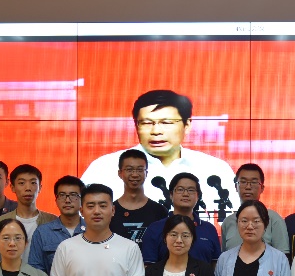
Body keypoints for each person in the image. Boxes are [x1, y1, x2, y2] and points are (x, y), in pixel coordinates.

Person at [81, 90, 239, 219]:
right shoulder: (104, 168)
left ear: (187, 125)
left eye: (166, 123)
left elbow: (235, 219)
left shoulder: (215, 169)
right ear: (136, 125)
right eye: (147, 123)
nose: (156, 131)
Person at [141, 172, 222, 264]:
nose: (185, 194)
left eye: (191, 190)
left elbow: (215, 265)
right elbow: (149, 266)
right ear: (171, 194)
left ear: (198, 196)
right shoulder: (155, 229)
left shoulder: (209, 229)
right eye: (180, 189)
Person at [220, 163, 290, 254]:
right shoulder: (228, 222)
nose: (248, 187)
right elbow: (224, 257)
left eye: (254, 182)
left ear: (262, 188)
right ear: (236, 187)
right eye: (243, 182)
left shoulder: (273, 219)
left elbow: (283, 257)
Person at [27, 175, 86, 275]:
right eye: (62, 195)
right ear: (56, 200)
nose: (67, 200)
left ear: (82, 200)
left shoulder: (92, 230)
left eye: (73, 195)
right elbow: (36, 271)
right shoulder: (43, 233)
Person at [110, 149, 168, 243]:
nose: (135, 175)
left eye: (140, 170)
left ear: (146, 173)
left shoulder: (159, 211)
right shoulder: (110, 211)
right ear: (120, 173)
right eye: (129, 170)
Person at [0, 163, 57, 242]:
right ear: (13, 188)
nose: (28, 188)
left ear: (40, 188)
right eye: (21, 183)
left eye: (33, 183)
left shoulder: (53, 221)